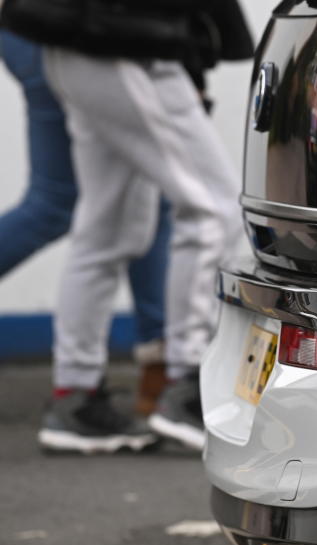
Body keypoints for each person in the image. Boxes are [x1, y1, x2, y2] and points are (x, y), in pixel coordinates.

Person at [0, 0, 254, 452]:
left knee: (109, 227)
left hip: (82, 39)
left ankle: (74, 398)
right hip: (126, 37)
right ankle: (188, 385)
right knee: (213, 208)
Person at [0, 29, 172, 431]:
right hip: (69, 31)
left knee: (131, 193)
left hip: (40, 29)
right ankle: (153, 366)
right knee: (74, 202)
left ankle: (154, 364)